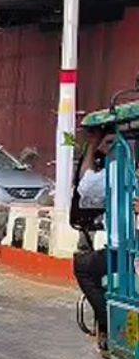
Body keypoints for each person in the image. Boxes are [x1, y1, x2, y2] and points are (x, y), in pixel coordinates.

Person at [73, 128, 110, 347]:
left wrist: (92, 144)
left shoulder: (117, 170)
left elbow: (85, 186)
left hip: (127, 251)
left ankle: (107, 324)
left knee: (83, 267)